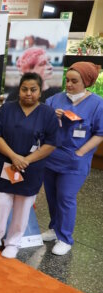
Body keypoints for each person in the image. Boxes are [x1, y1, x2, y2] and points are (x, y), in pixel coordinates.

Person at [0, 73, 58, 259]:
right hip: (5, 165)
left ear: (40, 91)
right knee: (0, 204)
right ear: (19, 90)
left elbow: (51, 143)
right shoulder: (6, 109)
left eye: (33, 90)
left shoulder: (48, 114)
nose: (28, 93)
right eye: (24, 89)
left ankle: (13, 242)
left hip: (31, 169)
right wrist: (14, 157)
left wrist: (27, 160)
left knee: (23, 208)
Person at [42, 61, 103, 255]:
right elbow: (42, 124)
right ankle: (54, 228)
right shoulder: (55, 100)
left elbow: (99, 133)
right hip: (52, 156)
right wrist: (53, 117)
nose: (68, 85)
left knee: (66, 197)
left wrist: (80, 152)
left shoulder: (97, 104)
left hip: (75, 160)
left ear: (86, 81)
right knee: (51, 196)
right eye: (67, 80)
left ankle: (65, 238)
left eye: (74, 81)